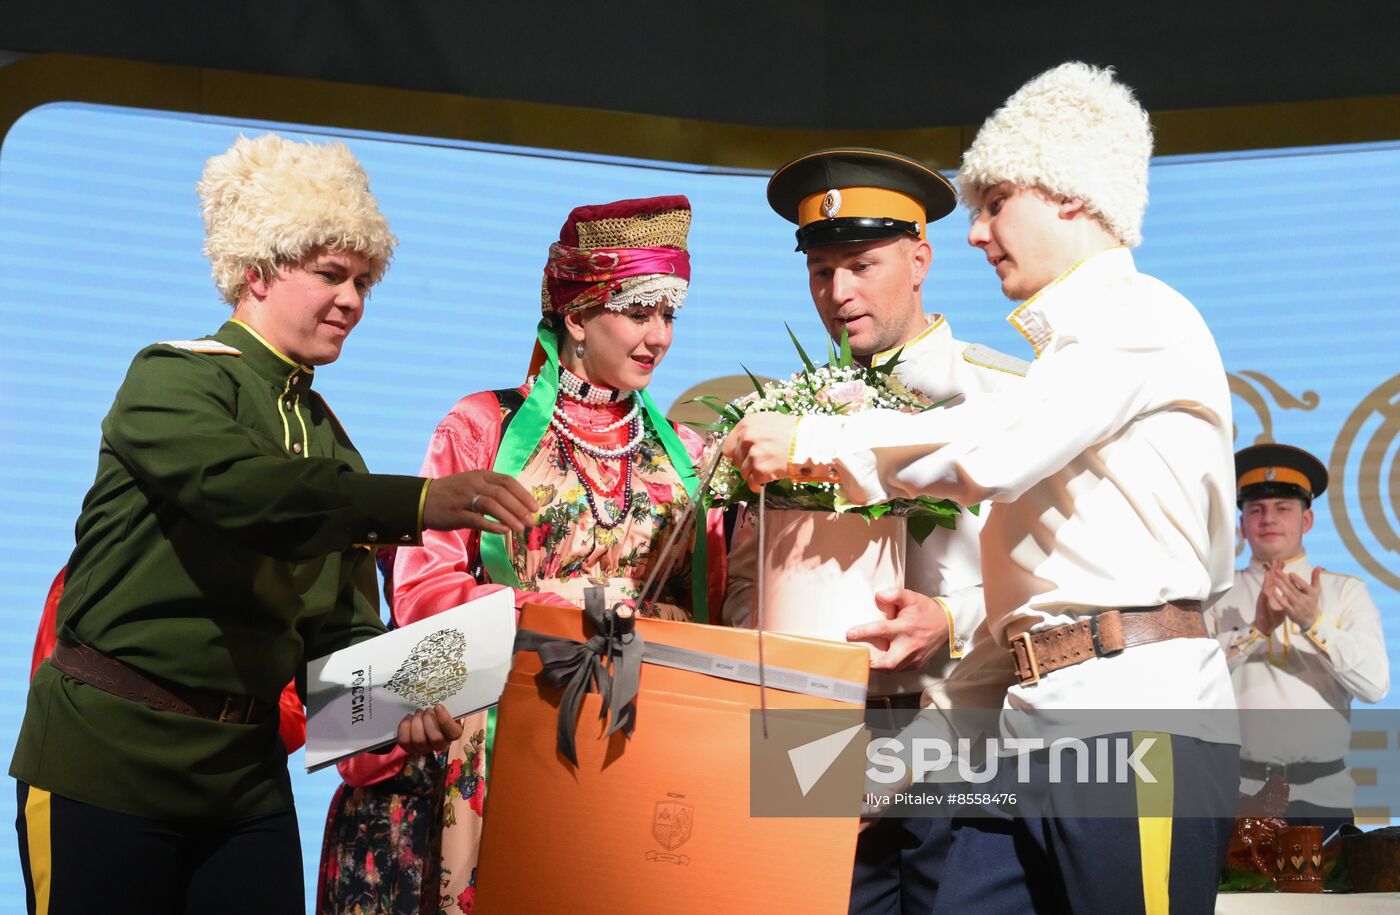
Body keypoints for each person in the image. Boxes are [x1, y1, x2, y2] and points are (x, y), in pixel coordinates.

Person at [723, 62, 1241, 913]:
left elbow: (994, 451)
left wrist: (816, 443)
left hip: (1138, 728)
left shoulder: (1139, 317)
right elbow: (1021, 625)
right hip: (1028, 731)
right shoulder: (1062, 363)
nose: (975, 232)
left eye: (996, 202)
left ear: (1070, 196)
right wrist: (884, 768)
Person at [10, 133, 536, 915]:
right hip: (106, 764)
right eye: (331, 274)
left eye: (363, 280)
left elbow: (337, 642)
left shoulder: (334, 448)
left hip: (245, 784)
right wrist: (419, 502)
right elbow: (246, 493)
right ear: (256, 270)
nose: (352, 300)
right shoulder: (170, 377)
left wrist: (407, 706)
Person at [318, 195, 724, 915]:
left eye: (669, 315)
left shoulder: (690, 456)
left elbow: (715, 610)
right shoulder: (484, 426)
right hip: (496, 735)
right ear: (576, 316)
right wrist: (552, 611)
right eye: (638, 312)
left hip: (630, 743)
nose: (659, 336)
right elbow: (421, 589)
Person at [725, 147, 1025, 913]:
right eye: (821, 270)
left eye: (862, 264)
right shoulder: (785, 415)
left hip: (962, 735)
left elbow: (1057, 581)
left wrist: (951, 620)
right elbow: (747, 587)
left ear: (920, 258)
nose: (840, 292)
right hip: (817, 742)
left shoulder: (1008, 397)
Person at [1206, 443, 1389, 838]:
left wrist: (1313, 622)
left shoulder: (1345, 592)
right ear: (1242, 525)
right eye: (1256, 509)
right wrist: (1256, 630)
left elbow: (1375, 685)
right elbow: (1193, 684)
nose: (1269, 518)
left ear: (1307, 520)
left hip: (1324, 794)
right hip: (1239, 793)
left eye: (1282, 508)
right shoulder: (1216, 595)